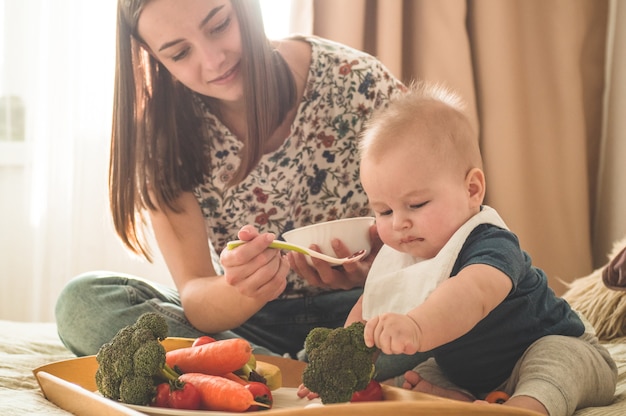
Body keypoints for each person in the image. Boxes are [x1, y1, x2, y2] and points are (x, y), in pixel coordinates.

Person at [54, 0, 405, 358]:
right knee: (81, 305)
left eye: (220, 25)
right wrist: (242, 289)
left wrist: (383, 269)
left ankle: (250, 372)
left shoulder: (357, 82)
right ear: (153, 57)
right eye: (178, 53)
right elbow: (195, 294)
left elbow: (451, 228)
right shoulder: (164, 135)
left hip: (369, 310)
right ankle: (287, 369)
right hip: (245, 326)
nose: (213, 61)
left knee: (452, 305)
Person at [328, 82, 616, 415]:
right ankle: (461, 400)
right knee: (417, 377)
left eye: (416, 204)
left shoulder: (491, 242)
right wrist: (342, 363)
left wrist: (417, 328)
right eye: (384, 211)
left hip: (550, 347)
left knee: (554, 363)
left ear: (472, 189)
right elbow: (370, 309)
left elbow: (471, 295)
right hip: (473, 373)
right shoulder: (403, 255)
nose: (398, 224)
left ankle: (525, 407)